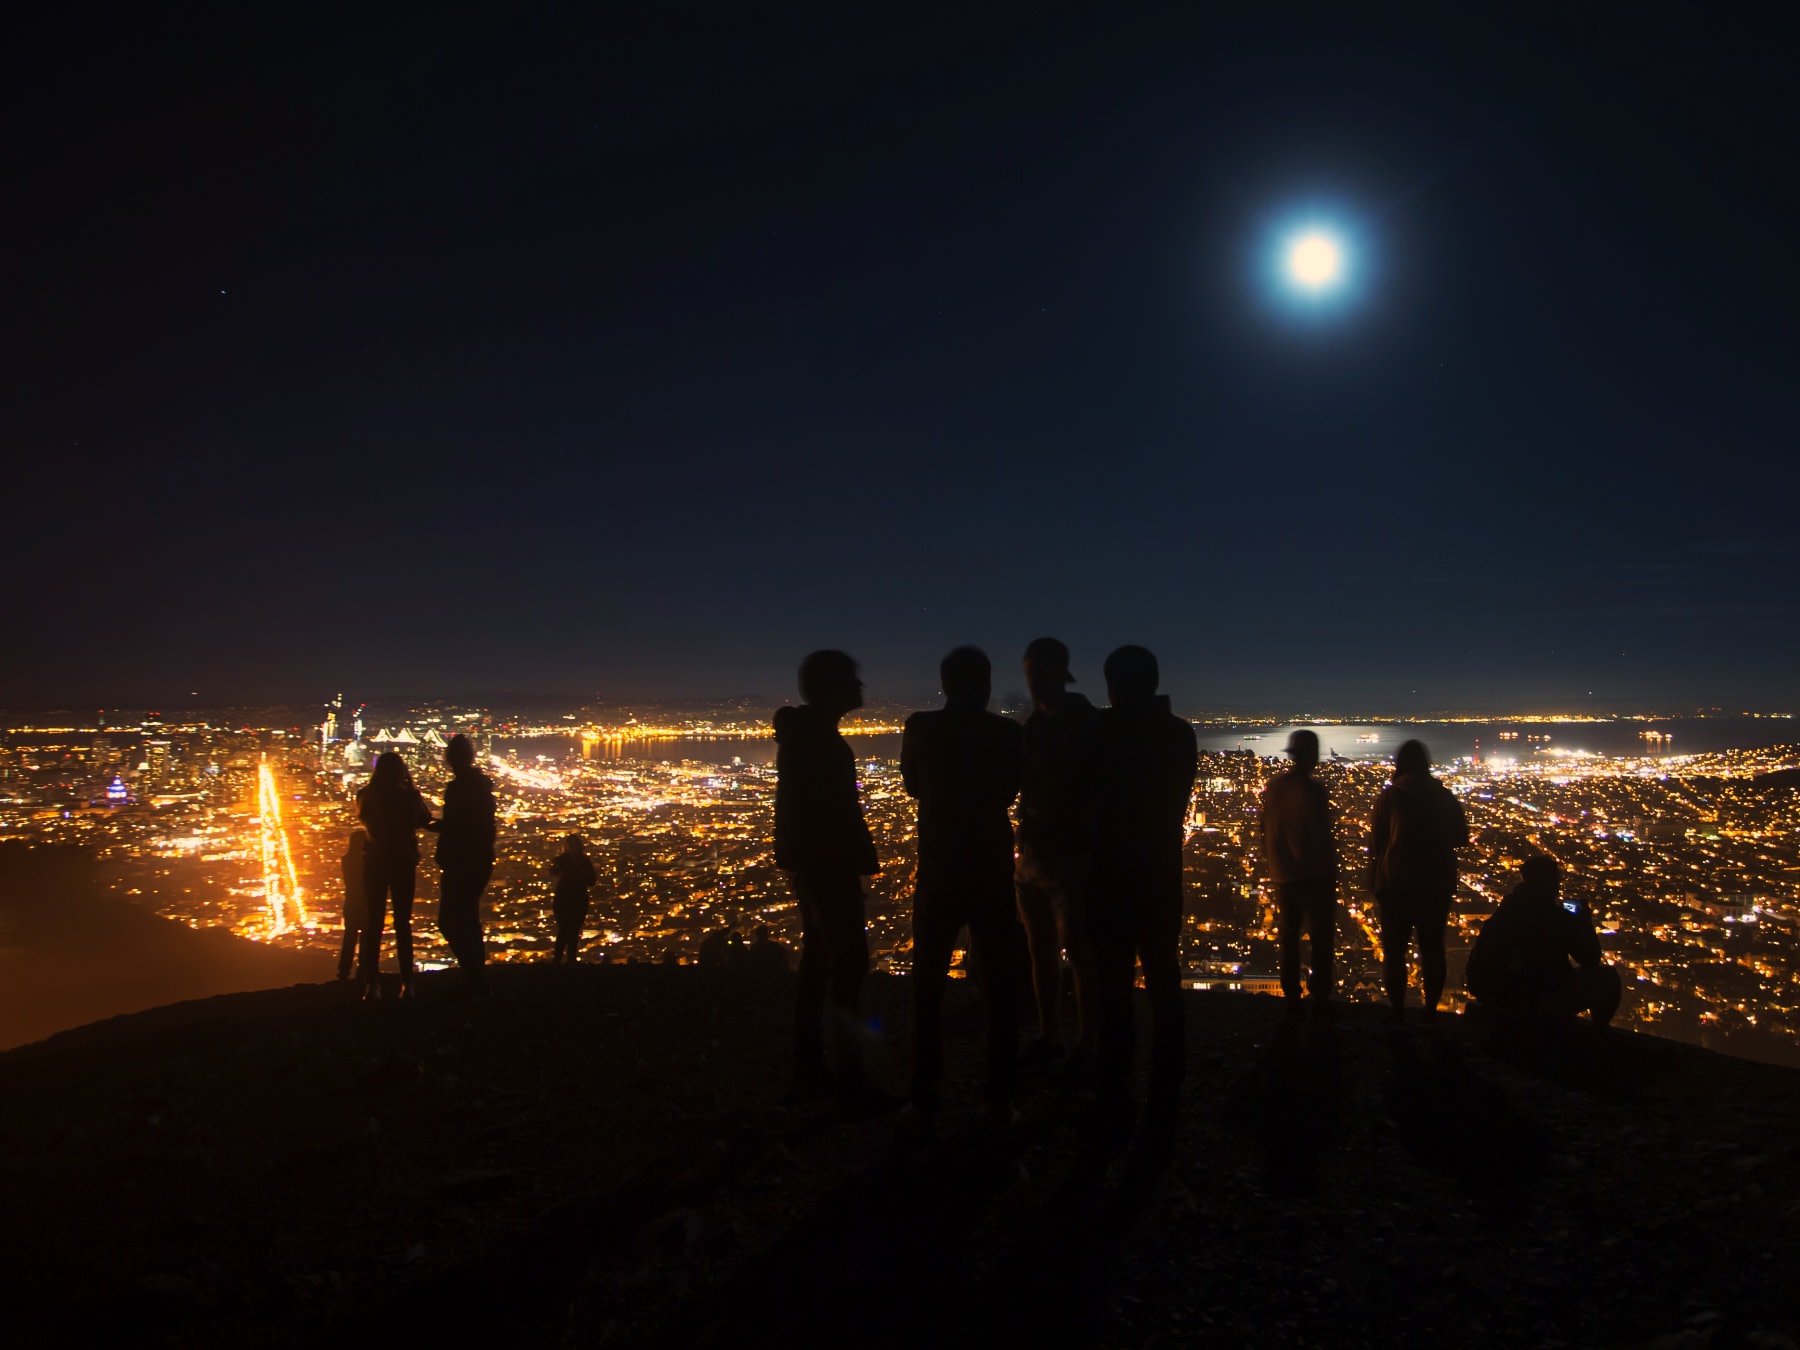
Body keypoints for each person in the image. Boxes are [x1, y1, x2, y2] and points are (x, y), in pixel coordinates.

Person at [902, 645, 1026, 1126]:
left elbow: (913, 785)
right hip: (991, 867)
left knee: (927, 982)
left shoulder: (921, 728)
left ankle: (924, 1096)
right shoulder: (1007, 734)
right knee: (999, 984)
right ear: (987, 684)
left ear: (945, 684)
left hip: (939, 866)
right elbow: (1013, 787)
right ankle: (1000, 1098)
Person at [1088, 645, 1198, 1153]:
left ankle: (1113, 1085)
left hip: (1108, 874)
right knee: (1163, 975)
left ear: (1113, 685)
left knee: (1112, 984)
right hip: (1158, 871)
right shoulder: (1179, 734)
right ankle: (1168, 1080)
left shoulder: (1101, 733)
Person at [774, 649, 887, 1107]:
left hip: (817, 864)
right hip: (829, 865)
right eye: (852, 682)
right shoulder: (818, 741)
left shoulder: (807, 736)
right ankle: (848, 1076)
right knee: (847, 965)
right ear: (832, 688)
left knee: (821, 963)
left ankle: (811, 1069)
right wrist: (856, 859)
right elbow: (831, 812)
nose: (861, 690)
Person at [1014, 636, 1101, 1065]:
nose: (1033, 685)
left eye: (1038, 676)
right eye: (1030, 677)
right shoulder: (1033, 728)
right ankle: (1052, 1035)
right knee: (1040, 948)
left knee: (1080, 951)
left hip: (1070, 854)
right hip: (1034, 853)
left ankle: (1087, 1042)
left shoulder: (1084, 725)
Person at [1368, 739, 1469, 1023]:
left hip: (1396, 882)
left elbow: (1376, 842)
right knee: (1433, 948)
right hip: (1436, 882)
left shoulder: (1390, 797)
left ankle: (1398, 1010)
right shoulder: (1443, 796)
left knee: (1395, 950)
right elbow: (1461, 836)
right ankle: (1431, 1010)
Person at [1466, 856, 1621, 1027]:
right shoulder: (1554, 917)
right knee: (1608, 978)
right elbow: (1590, 958)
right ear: (1551, 883)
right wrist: (1584, 923)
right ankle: (1597, 1035)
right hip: (1539, 998)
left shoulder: (1506, 909)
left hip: (1497, 994)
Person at [1259, 729, 1338, 1015]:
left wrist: (1272, 859)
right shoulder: (1314, 792)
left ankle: (1291, 992)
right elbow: (1321, 836)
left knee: (1289, 935)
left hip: (1283, 873)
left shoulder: (1275, 787)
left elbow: (1262, 829)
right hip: (1315, 874)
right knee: (1321, 935)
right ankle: (1320, 994)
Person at [355, 751, 433, 1000]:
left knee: (373, 924)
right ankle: (407, 985)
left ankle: (371, 986)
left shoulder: (365, 795)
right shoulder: (408, 796)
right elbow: (425, 818)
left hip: (374, 862)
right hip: (402, 862)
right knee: (402, 923)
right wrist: (411, 786)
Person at [430, 733, 497, 996]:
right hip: (480, 858)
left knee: (449, 920)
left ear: (449, 759)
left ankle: (475, 976)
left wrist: (431, 825)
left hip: (460, 860)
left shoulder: (457, 788)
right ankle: (476, 976)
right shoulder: (481, 787)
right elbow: (474, 824)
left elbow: (457, 825)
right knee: (469, 917)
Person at [549, 834, 596, 963]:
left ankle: (564, 960)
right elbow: (591, 880)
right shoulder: (577, 860)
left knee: (570, 930)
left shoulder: (575, 860)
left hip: (572, 897)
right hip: (570, 897)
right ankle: (565, 960)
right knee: (567, 929)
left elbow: (592, 879)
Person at [338, 826, 370, 981]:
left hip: (350, 902)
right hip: (366, 903)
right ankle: (362, 972)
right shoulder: (368, 862)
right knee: (365, 939)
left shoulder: (346, 861)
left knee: (349, 938)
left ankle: (343, 972)